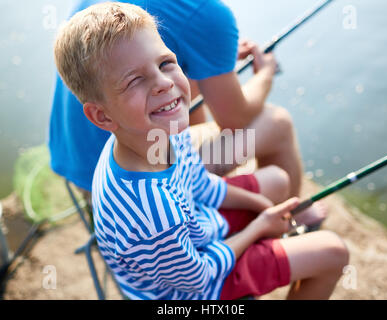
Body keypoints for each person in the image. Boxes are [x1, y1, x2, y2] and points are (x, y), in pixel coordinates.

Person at [53, 2, 349, 300]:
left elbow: (199, 183)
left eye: (166, 63)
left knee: (278, 182)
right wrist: (259, 228)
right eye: (135, 80)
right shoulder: (154, 213)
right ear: (102, 117)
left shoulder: (163, 133)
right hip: (195, 292)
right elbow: (200, 277)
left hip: (197, 227)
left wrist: (260, 205)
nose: (164, 84)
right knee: (333, 251)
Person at [48, 0, 327, 228]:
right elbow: (235, 119)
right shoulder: (206, 13)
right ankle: (293, 216)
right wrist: (265, 73)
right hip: (143, 177)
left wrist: (211, 58)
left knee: (173, 88)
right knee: (277, 123)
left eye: (166, 61)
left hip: (77, 166)